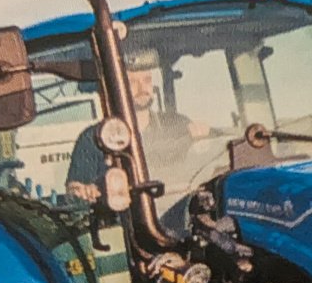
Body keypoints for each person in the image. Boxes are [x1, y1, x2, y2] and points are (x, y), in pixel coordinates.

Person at [65, 53, 207, 204]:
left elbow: (203, 169)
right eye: (132, 82)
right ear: (116, 87)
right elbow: (73, 189)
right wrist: (82, 191)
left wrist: (205, 143)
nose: (142, 88)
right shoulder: (93, 138)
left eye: (147, 80)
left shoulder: (178, 124)